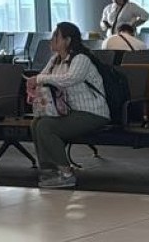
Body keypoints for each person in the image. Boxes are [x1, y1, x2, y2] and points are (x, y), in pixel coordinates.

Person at [28, 22, 110, 189]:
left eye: (56, 36)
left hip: (92, 113)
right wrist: (35, 85)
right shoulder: (55, 60)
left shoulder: (81, 58)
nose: (52, 40)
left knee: (46, 126)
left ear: (67, 40)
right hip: (70, 112)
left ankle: (66, 173)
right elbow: (43, 77)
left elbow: (70, 79)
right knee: (36, 123)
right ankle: (49, 170)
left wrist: (39, 80)